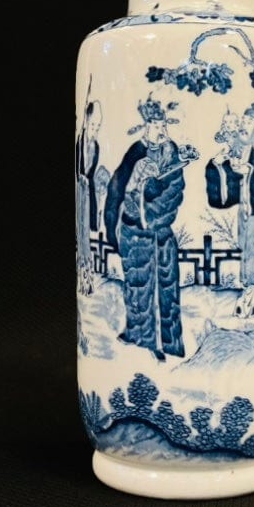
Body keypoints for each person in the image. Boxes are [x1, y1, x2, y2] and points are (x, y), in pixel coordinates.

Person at [105, 97, 186, 361]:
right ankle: (139, 336)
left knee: (165, 288)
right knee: (137, 285)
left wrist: (152, 207)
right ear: (146, 126)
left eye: (163, 125)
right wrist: (113, 225)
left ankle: (167, 343)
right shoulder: (135, 153)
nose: (161, 131)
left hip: (160, 232)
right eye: (155, 125)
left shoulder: (171, 153)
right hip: (134, 231)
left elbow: (175, 192)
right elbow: (117, 188)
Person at [205, 101, 254, 317]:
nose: (244, 125)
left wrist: (250, 171)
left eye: (250, 121)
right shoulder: (239, 149)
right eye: (243, 120)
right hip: (245, 210)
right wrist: (217, 164)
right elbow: (229, 181)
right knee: (245, 247)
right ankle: (247, 293)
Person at [76, 100, 102, 287]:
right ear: (86, 121)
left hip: (88, 193)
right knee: (81, 232)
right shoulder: (79, 143)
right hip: (80, 192)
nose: (95, 130)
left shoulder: (95, 147)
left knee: (86, 233)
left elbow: (90, 174)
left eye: (98, 126)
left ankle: (87, 278)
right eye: (93, 125)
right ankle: (83, 277)